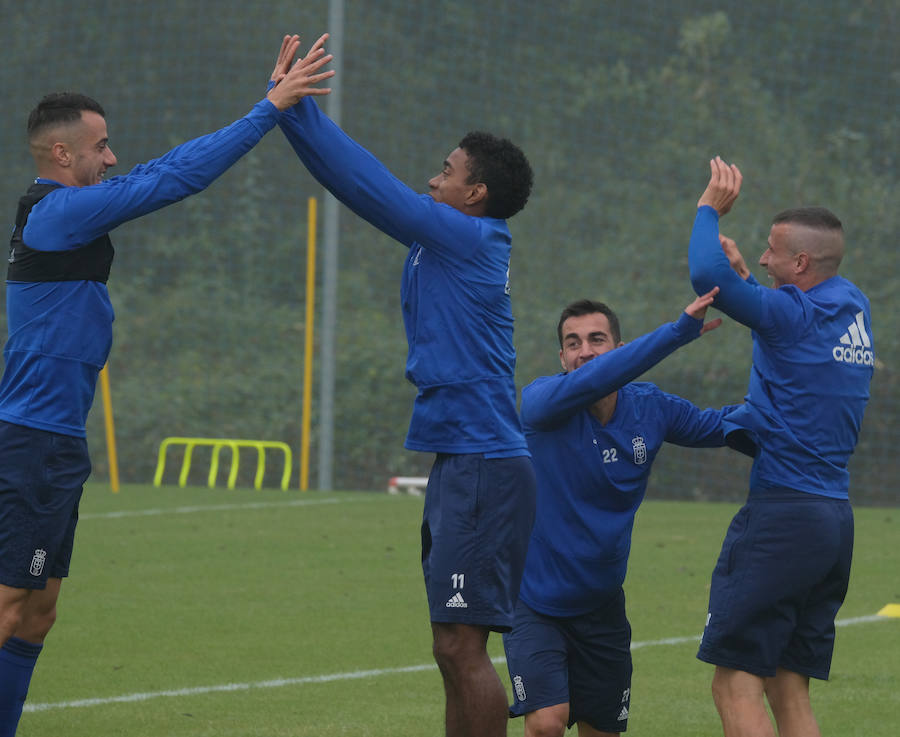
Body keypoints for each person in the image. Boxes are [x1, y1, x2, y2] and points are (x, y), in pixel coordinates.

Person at [0, 36, 334, 735]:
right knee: (7, 604)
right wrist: (268, 108)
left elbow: (159, 172)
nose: (112, 156)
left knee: (38, 610)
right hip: (28, 440)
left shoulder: (67, 213)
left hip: (58, 440)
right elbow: (176, 176)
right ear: (62, 154)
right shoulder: (54, 212)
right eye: (101, 145)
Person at [269, 35, 537, 737]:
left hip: (483, 459)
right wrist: (290, 111)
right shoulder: (448, 237)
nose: (432, 178)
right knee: (448, 647)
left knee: (462, 646)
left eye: (445, 171)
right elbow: (363, 187)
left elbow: (369, 187)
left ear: (473, 193)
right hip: (463, 457)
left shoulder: (470, 238)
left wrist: (295, 112)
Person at [688, 157, 874, 737]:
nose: (762, 258)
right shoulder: (852, 306)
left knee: (735, 683)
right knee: (788, 687)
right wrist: (752, 281)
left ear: (800, 263)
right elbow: (785, 318)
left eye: (771, 252)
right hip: (832, 522)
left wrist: (707, 210)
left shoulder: (790, 316)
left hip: (783, 517)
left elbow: (703, 273)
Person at [504, 290, 736, 737]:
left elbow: (721, 426)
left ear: (622, 351)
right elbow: (588, 383)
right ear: (562, 356)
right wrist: (678, 332)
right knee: (546, 724)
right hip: (534, 602)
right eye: (573, 343)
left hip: (602, 605)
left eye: (596, 339)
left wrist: (793, 414)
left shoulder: (651, 408)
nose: (584, 351)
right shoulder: (541, 403)